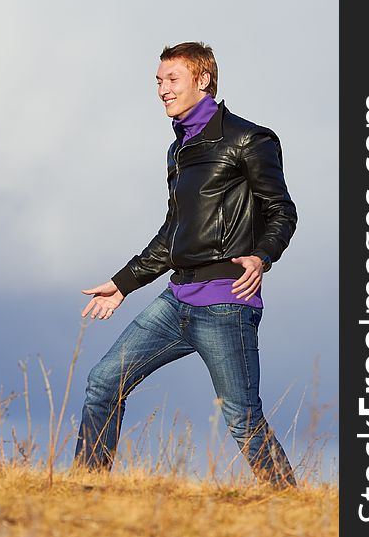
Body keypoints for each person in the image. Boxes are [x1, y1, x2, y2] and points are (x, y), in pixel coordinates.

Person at [75, 42, 298, 487]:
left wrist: (262, 255)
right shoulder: (179, 150)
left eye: (171, 79)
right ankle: (85, 490)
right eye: (158, 80)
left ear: (203, 80)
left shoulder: (249, 139)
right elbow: (173, 233)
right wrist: (123, 284)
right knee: (102, 384)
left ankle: (289, 501)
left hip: (226, 303)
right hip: (175, 300)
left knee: (241, 418)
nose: (162, 89)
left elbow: (282, 211)